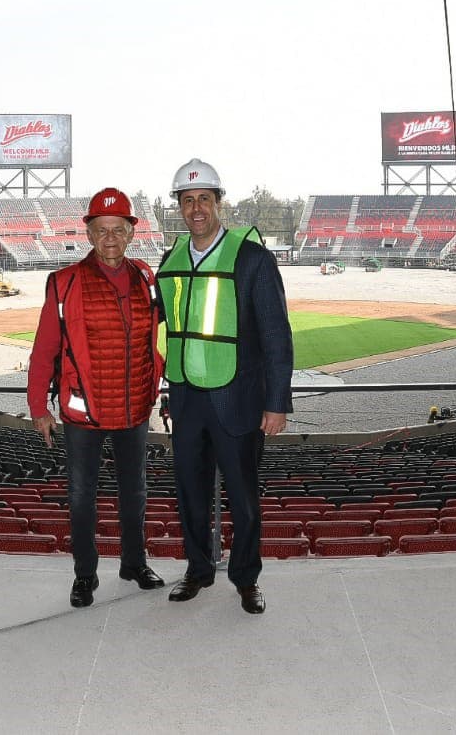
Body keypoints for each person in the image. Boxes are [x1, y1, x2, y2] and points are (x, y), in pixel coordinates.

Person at [158, 159, 293, 616]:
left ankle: (246, 579)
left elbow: (276, 335)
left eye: (204, 199)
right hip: (186, 400)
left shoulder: (251, 258)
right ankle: (198, 570)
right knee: (190, 496)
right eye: (187, 200)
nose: (196, 208)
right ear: (179, 207)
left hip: (237, 399)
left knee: (243, 499)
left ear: (219, 203)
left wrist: (276, 403)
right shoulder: (172, 258)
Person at [27, 187, 165, 608]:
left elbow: (162, 338)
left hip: (134, 407)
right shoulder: (64, 283)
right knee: (81, 498)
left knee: (134, 494)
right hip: (83, 413)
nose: (110, 238)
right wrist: (38, 407)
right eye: (101, 229)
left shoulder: (147, 278)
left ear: (131, 233)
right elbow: (44, 350)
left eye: (118, 229)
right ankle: (85, 574)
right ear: (88, 234)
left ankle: (134, 563)